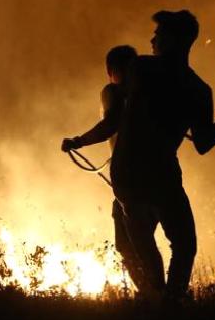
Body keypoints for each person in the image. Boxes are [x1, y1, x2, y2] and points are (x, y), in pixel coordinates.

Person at [83, 10, 215, 299]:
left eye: (158, 35)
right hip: (161, 176)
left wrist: (80, 141)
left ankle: (157, 301)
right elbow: (204, 143)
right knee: (184, 245)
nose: (152, 39)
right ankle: (169, 303)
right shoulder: (198, 89)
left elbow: (112, 116)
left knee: (144, 248)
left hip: (130, 175)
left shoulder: (141, 70)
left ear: (174, 40)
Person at [60, 45, 149, 290]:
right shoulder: (150, 96)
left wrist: (77, 141)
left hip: (130, 181)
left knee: (129, 244)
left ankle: (154, 297)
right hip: (158, 177)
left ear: (111, 71)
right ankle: (160, 296)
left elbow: (110, 124)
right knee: (145, 241)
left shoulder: (113, 91)